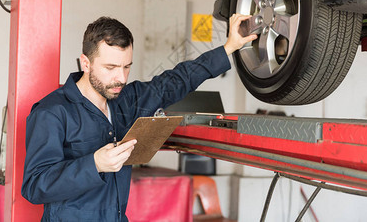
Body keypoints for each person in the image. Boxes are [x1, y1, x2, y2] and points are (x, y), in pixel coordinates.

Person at [21, 14, 257, 221]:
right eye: (111, 67)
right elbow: (34, 186)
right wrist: (94, 164)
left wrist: (228, 47)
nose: (121, 78)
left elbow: (177, 80)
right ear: (86, 63)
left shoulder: (128, 99)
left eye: (126, 67)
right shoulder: (52, 112)